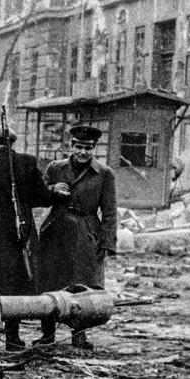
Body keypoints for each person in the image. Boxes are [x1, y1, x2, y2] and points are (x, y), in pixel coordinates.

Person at [0, 124, 53, 350]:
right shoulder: (27, 162)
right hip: (20, 235)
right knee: (19, 281)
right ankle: (13, 338)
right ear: (13, 142)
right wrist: (57, 193)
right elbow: (42, 196)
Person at [34, 123, 117, 350]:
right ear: (71, 146)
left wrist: (108, 243)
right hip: (55, 230)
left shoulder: (104, 174)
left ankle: (79, 334)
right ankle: (47, 333)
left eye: (88, 148)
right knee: (50, 280)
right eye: (79, 147)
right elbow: (37, 197)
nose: (83, 152)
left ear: (94, 149)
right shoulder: (55, 168)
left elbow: (110, 211)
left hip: (86, 231)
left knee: (82, 284)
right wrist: (52, 190)